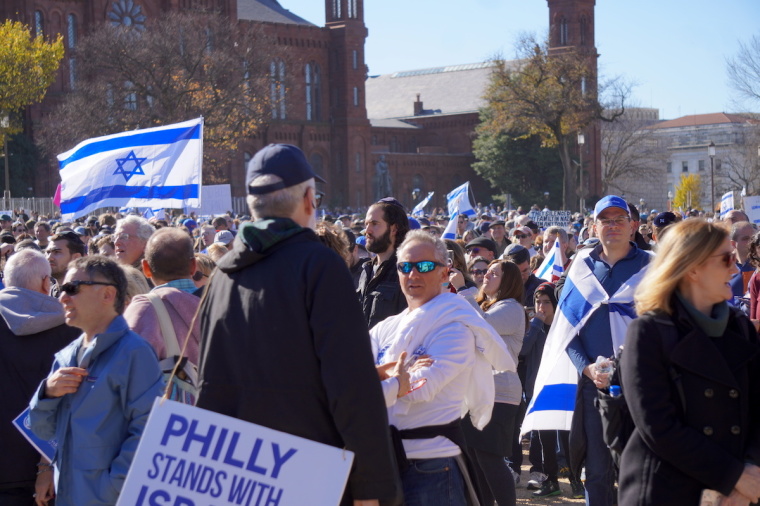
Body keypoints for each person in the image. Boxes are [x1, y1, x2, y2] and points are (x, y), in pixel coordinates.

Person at [196, 143, 401, 506]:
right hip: (309, 474)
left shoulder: (223, 276)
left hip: (237, 475)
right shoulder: (319, 266)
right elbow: (351, 384)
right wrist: (373, 488)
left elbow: (210, 383)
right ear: (309, 199)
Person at [619, 219, 760, 506]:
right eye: (726, 259)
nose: (734, 268)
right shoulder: (647, 332)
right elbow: (658, 426)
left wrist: (750, 472)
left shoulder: (741, 328)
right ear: (693, 268)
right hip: (667, 492)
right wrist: (732, 476)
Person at [370, 230, 514, 505]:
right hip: (382, 463)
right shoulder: (383, 329)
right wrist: (394, 375)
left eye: (424, 266)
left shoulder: (456, 329)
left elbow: (420, 390)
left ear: (445, 272)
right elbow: (352, 385)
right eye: (405, 267)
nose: (413, 274)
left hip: (431, 466)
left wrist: (381, 378)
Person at [29, 256, 164, 505]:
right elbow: (42, 431)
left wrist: (112, 488)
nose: (62, 297)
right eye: (61, 289)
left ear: (107, 294)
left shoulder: (133, 352)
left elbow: (149, 430)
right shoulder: (67, 355)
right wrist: (46, 393)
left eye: (73, 288)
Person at [563, 195, 652, 505]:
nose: (612, 226)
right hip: (595, 389)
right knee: (598, 471)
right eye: (605, 220)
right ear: (594, 226)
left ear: (633, 226)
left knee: (640, 470)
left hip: (643, 387)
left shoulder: (653, 267)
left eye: (619, 220)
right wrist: (586, 369)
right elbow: (567, 331)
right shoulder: (580, 269)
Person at [0, 250, 81, 506]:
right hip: (47, 468)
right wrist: (45, 467)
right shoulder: (73, 330)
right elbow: (72, 404)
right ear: (47, 282)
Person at [450, 259, 525, 506]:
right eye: (484, 272)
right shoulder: (485, 304)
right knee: (475, 458)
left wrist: (463, 290)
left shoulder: (512, 308)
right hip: (477, 392)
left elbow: (483, 325)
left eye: (493, 273)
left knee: (489, 458)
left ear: (509, 281)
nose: (485, 276)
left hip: (499, 392)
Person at [123, 227, 201, 365]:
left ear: (145, 268)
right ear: (194, 265)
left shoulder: (144, 309)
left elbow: (122, 368)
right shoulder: (222, 304)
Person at [357, 198, 410, 329]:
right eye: (366, 224)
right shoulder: (366, 269)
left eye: (374, 224)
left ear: (394, 229)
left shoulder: (407, 271)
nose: (367, 231)